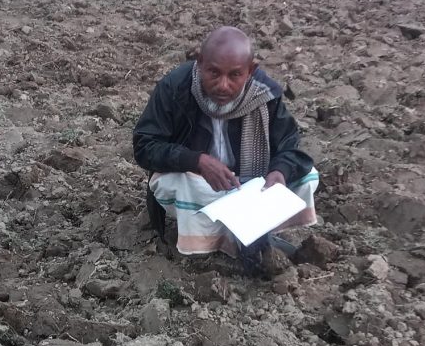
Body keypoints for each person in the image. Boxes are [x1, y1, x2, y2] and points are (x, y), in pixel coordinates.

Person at [133, 26, 318, 272]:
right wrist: (196, 161)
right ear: (199, 63)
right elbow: (144, 146)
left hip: (248, 185)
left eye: (234, 76)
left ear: (250, 71)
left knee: (308, 175)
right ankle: (227, 244)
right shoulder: (175, 88)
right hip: (199, 182)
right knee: (184, 184)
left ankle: (246, 235)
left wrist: (280, 172)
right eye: (214, 72)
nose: (223, 85)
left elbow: (290, 143)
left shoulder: (265, 94)